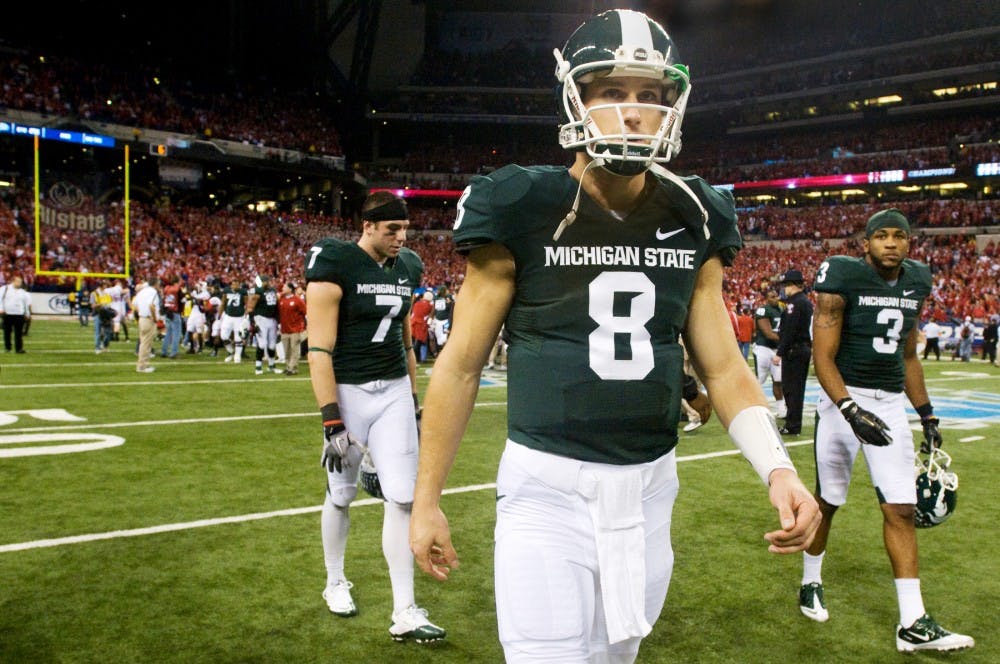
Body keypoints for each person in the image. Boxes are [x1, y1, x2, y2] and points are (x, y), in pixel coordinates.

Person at [408, 10, 819, 662]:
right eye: (612, 92)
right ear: (575, 98)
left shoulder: (695, 209)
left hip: (652, 488)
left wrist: (778, 469)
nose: (634, 112)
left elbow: (725, 369)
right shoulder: (520, 203)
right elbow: (459, 366)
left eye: (651, 95)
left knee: (618, 655)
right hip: (548, 486)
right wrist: (425, 500)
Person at [803, 208, 973, 652]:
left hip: (892, 404)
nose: (892, 243)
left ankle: (912, 622)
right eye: (882, 236)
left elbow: (910, 357)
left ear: (910, 244)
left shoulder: (918, 281)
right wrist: (849, 409)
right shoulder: (841, 277)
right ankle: (810, 580)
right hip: (844, 400)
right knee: (829, 501)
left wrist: (928, 414)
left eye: (900, 236)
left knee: (900, 509)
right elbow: (822, 357)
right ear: (866, 243)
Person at [305, 191, 446, 644]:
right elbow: (319, 349)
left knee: (401, 498)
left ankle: (404, 609)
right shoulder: (335, 261)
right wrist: (331, 419)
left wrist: (414, 398)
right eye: (392, 230)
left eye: (405, 229)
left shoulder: (408, 267)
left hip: (393, 394)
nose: (401, 238)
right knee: (342, 495)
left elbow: (405, 341)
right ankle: (334, 580)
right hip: (347, 392)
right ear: (367, 226)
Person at [775, 269, 813, 436]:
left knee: (793, 389)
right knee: (793, 388)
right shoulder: (803, 301)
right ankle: (792, 420)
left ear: (794, 285)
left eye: (787, 285)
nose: (785, 289)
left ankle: (793, 424)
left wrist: (780, 352)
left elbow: (790, 330)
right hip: (800, 348)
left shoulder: (795, 303)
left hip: (795, 350)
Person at [753, 289, 785, 418]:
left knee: (778, 380)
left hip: (777, 350)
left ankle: (781, 409)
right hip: (763, 349)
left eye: (776, 296)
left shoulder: (781, 309)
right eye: (772, 296)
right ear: (766, 298)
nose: (775, 298)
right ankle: (754, 407)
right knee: (759, 380)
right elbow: (768, 333)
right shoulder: (763, 310)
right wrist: (787, 341)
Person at [246, 274, 280, 375]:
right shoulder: (257, 290)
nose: (267, 283)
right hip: (261, 319)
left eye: (267, 281)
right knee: (261, 344)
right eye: (265, 281)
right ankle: (258, 367)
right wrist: (252, 322)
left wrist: (278, 320)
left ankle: (272, 366)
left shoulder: (273, 290)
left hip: (272, 319)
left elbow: (276, 305)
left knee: (272, 345)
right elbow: (250, 307)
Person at [277, 281, 306, 375]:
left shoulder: (297, 300)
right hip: (284, 329)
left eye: (284, 287)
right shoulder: (281, 299)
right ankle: (288, 366)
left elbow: (305, 312)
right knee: (287, 350)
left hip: (295, 329)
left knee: (295, 349)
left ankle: (293, 368)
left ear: (290, 289)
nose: (282, 289)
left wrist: (303, 326)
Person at [133, 277, 161, 373]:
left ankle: (142, 364)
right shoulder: (153, 292)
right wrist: (155, 318)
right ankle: (142, 366)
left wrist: (141, 312)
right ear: (155, 283)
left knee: (143, 343)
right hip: (148, 319)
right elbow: (151, 306)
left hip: (141, 318)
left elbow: (135, 305)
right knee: (146, 344)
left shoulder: (142, 292)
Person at [219, 280, 249, 363]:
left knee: (238, 338)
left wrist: (246, 316)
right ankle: (231, 352)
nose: (235, 286)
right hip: (228, 316)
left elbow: (247, 304)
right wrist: (219, 314)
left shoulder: (243, 292)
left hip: (239, 317)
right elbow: (223, 302)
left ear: (239, 285)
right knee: (223, 336)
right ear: (231, 285)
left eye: (237, 284)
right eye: (233, 284)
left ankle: (237, 355)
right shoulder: (226, 290)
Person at [0, 275, 31, 353]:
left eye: (20, 282)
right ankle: (8, 348)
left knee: (19, 333)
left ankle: (19, 349)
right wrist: (1, 309)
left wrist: (27, 314)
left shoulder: (23, 292)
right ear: (13, 281)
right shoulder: (5, 289)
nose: (19, 283)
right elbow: (0, 299)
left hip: (19, 314)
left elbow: (25, 304)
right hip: (8, 313)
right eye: (18, 281)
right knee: (7, 332)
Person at [160, 275, 182, 358]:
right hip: (174, 311)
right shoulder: (177, 289)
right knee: (176, 333)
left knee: (168, 333)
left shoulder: (166, 288)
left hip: (167, 311)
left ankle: (164, 351)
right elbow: (181, 300)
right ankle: (174, 352)